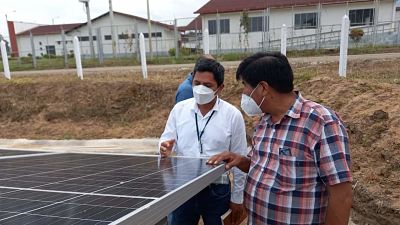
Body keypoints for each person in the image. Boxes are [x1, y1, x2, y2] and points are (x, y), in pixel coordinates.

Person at [207, 52, 353, 225]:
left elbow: (341, 194)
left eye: (245, 86)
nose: (244, 93)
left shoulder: (321, 123)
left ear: (263, 88)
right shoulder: (264, 122)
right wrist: (240, 160)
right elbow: (263, 168)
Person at [159, 57, 247, 225]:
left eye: (207, 86)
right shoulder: (180, 110)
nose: (200, 89)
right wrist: (164, 147)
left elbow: (239, 160)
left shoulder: (232, 115)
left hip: (217, 190)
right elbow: (166, 139)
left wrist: (237, 199)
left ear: (220, 88)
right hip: (183, 188)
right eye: (196, 83)